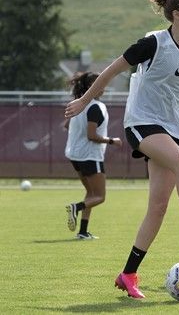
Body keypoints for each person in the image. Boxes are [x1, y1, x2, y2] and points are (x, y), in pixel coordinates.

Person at [64, 0, 179, 299]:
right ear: (177, 14)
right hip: (142, 123)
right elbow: (112, 70)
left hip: (175, 131)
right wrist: (84, 100)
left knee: (158, 206)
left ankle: (128, 274)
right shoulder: (153, 43)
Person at [64, 72, 123, 240]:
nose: (103, 87)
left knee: (91, 193)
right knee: (100, 197)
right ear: (92, 87)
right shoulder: (95, 107)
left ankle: (83, 231)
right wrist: (112, 140)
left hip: (74, 155)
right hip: (90, 156)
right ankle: (76, 207)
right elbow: (91, 136)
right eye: (100, 84)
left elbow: (67, 125)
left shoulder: (77, 104)